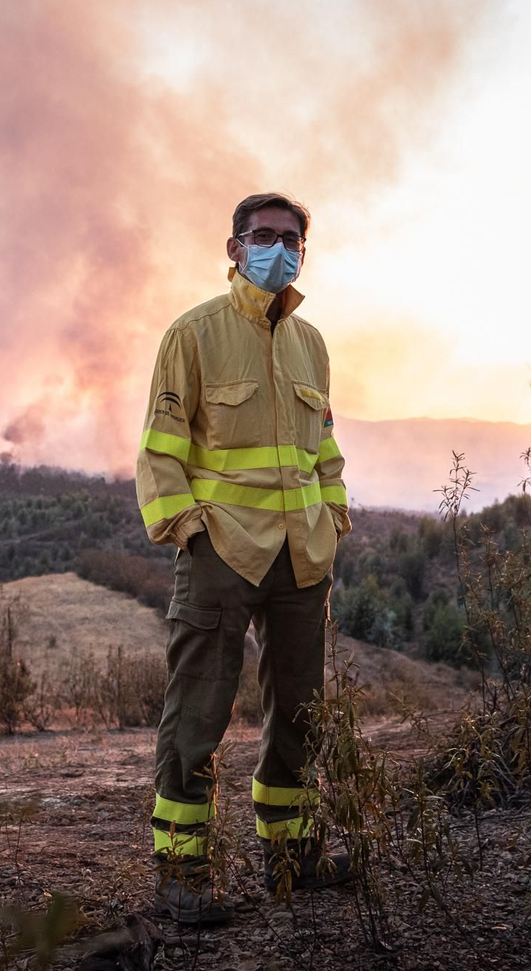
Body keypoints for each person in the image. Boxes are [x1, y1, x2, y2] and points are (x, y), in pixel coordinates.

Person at [135, 193, 355, 924]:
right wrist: (187, 531)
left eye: (291, 238)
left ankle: (292, 858)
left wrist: (336, 514)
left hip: (301, 558)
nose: (278, 248)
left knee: (300, 712)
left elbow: (322, 444)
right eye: (263, 236)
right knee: (197, 714)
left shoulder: (311, 343)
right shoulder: (193, 334)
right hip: (221, 553)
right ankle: (180, 872)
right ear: (233, 249)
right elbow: (160, 449)